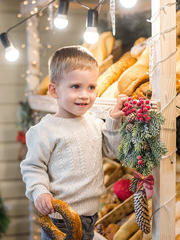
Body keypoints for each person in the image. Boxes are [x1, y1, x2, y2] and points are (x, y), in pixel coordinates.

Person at [20, 45, 127, 240]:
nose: (85, 95)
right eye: (75, 86)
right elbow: (33, 168)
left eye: (91, 87)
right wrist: (40, 192)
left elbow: (112, 151)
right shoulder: (45, 131)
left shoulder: (94, 122)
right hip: (61, 219)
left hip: (90, 215)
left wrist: (113, 120)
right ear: (54, 90)